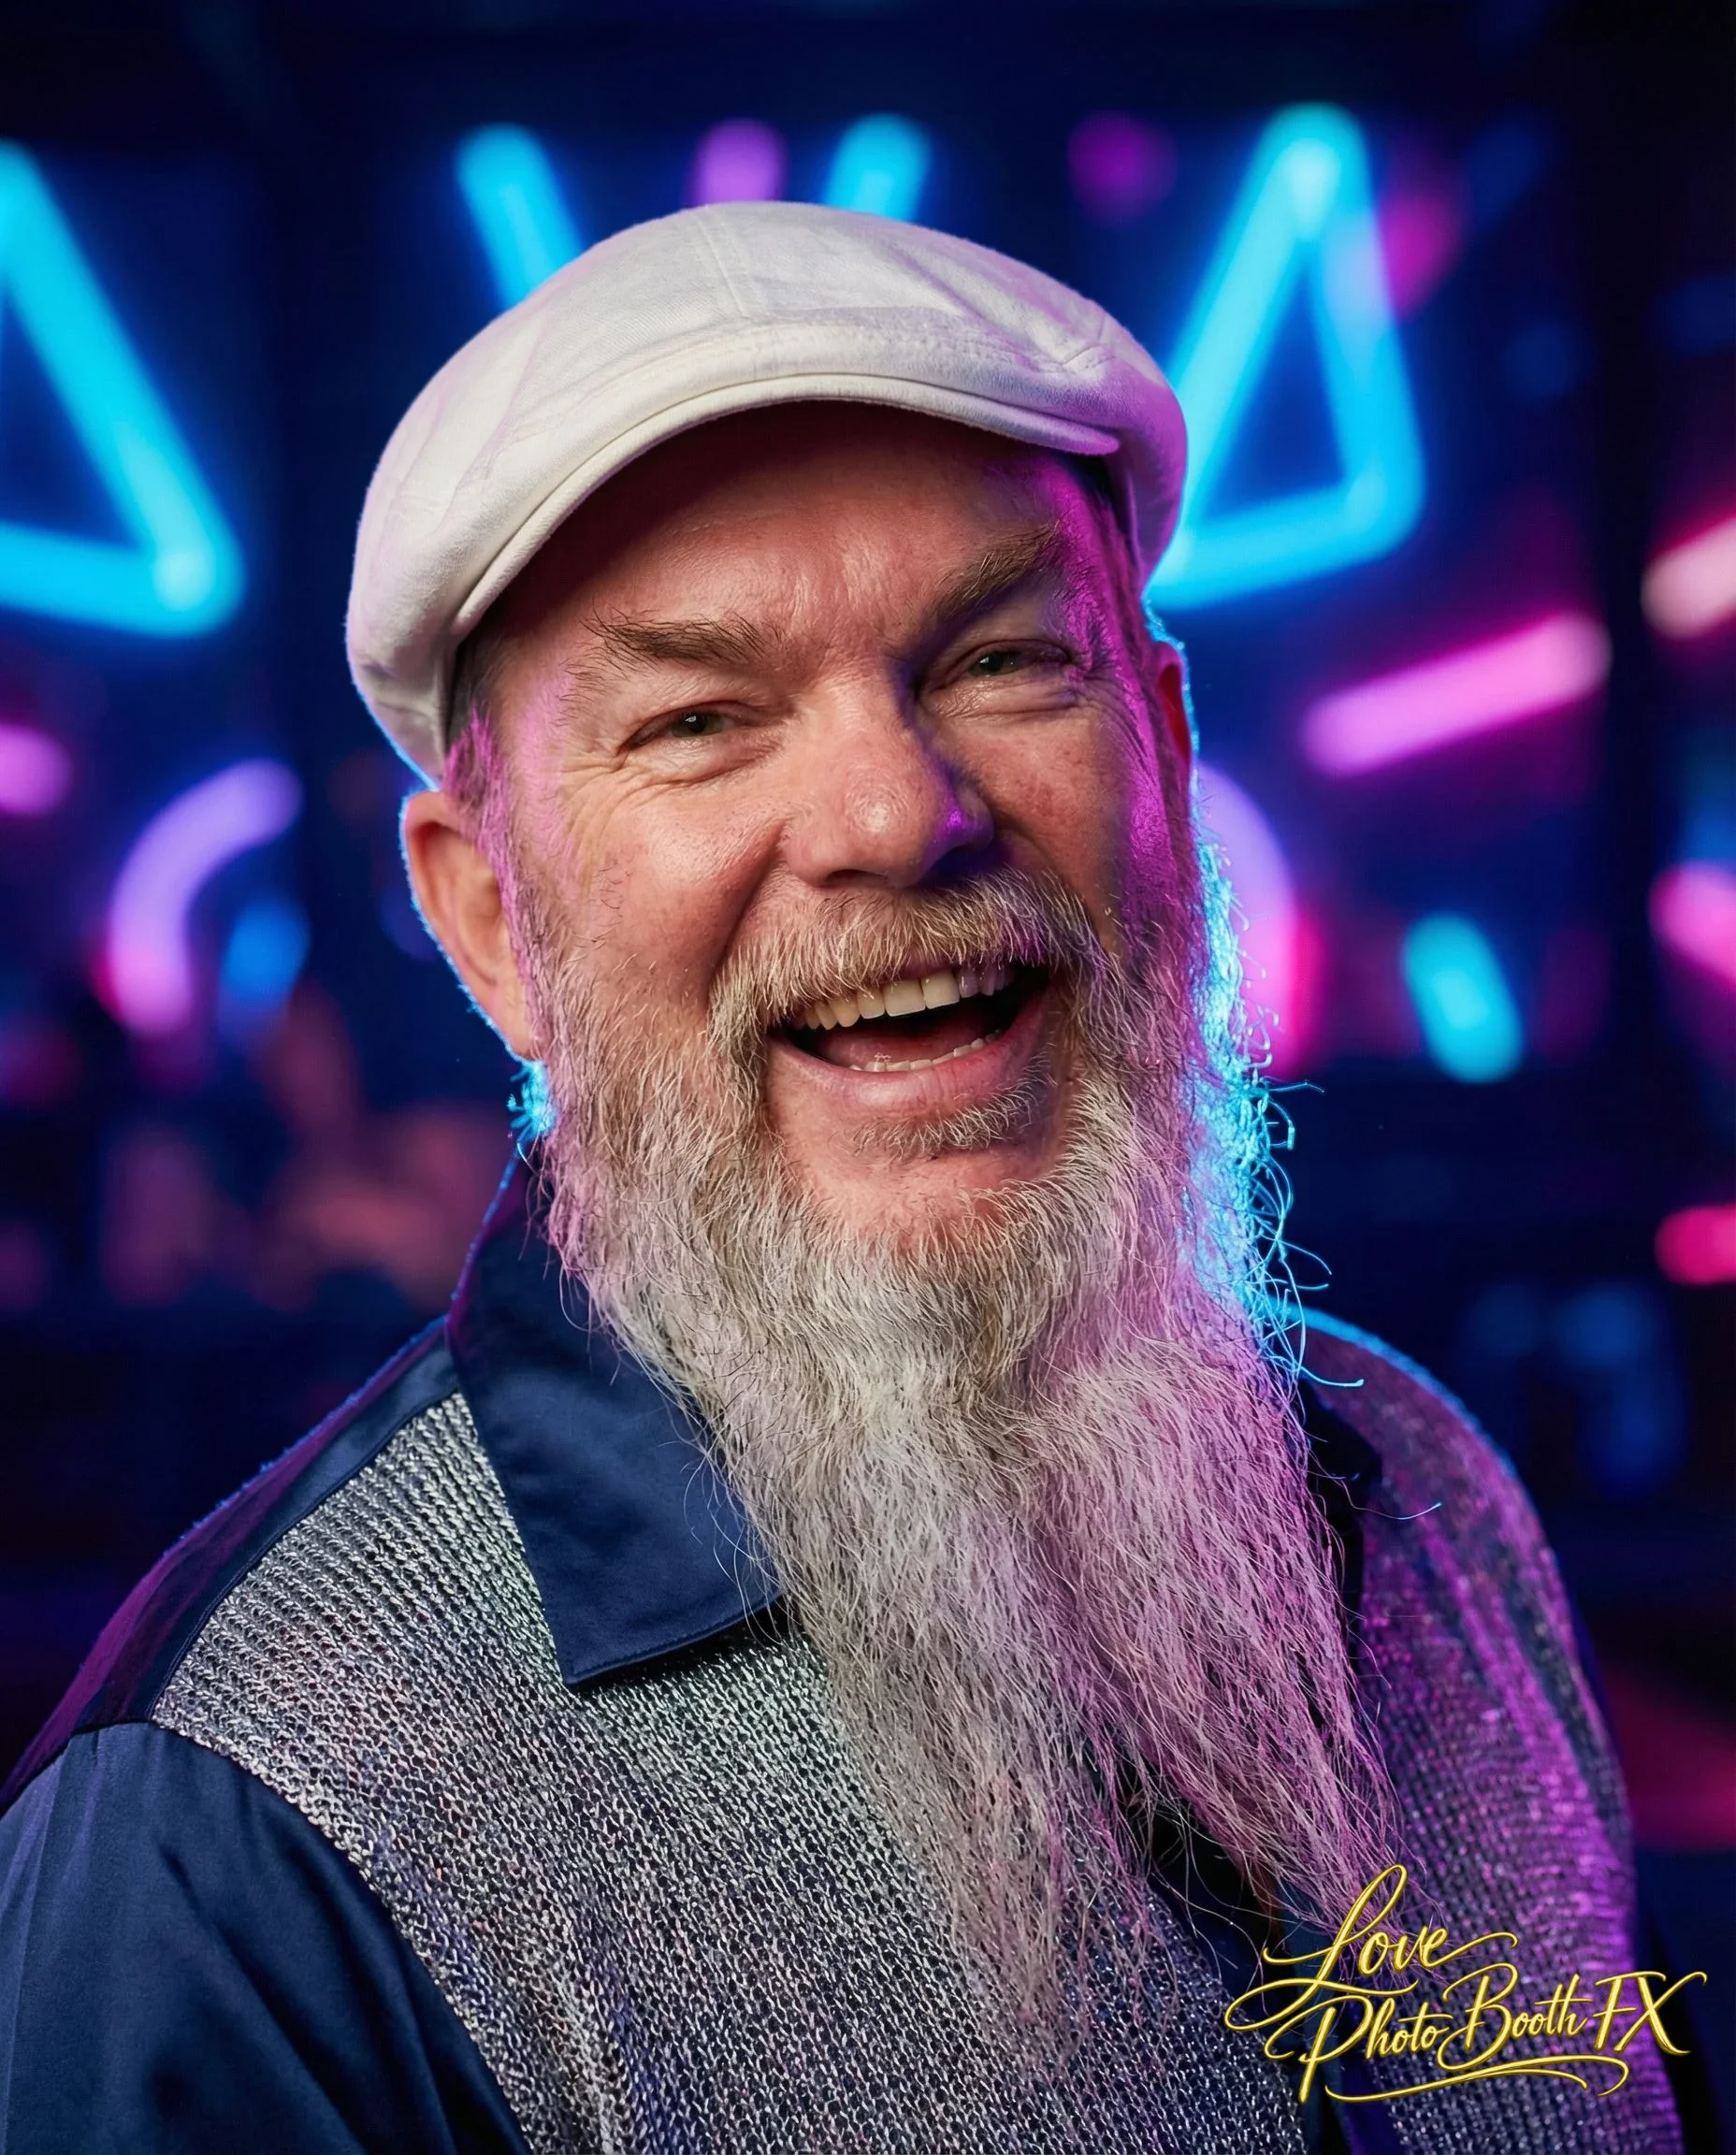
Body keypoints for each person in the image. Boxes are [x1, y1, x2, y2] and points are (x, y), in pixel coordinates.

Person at [0, 203, 1687, 2153]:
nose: (896, 813)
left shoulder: (1428, 1498)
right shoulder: (238, 1828)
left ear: (1157, 740)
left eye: (996, 661)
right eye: (701, 722)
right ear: (489, 922)